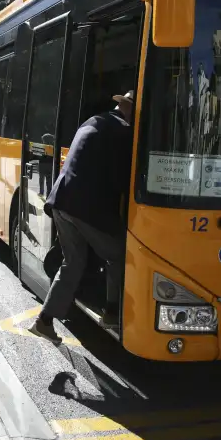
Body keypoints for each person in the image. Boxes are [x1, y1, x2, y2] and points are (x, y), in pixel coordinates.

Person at [29, 90, 135, 343]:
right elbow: (121, 178)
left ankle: (44, 321)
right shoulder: (122, 131)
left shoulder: (94, 121)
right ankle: (111, 312)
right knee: (119, 255)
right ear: (131, 109)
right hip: (86, 207)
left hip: (62, 200)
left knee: (73, 262)